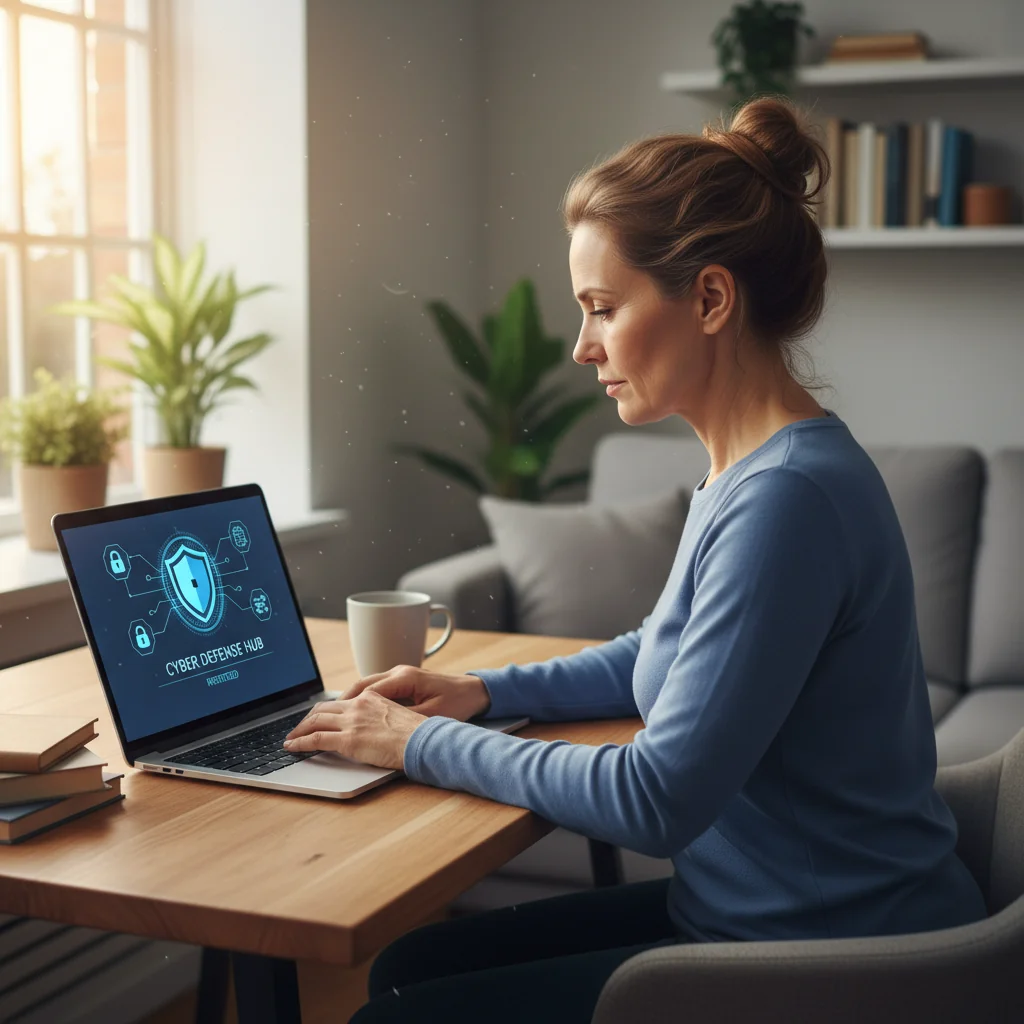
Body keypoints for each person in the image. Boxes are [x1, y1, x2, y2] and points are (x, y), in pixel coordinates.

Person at [284, 96, 987, 1023]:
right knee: (407, 966)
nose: (583, 347)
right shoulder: (750, 469)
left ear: (709, 298)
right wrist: (486, 696)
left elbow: (656, 798)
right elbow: (656, 645)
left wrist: (419, 744)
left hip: (828, 959)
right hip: (756, 919)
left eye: (603, 309)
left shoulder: (787, 500)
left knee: (394, 1009)